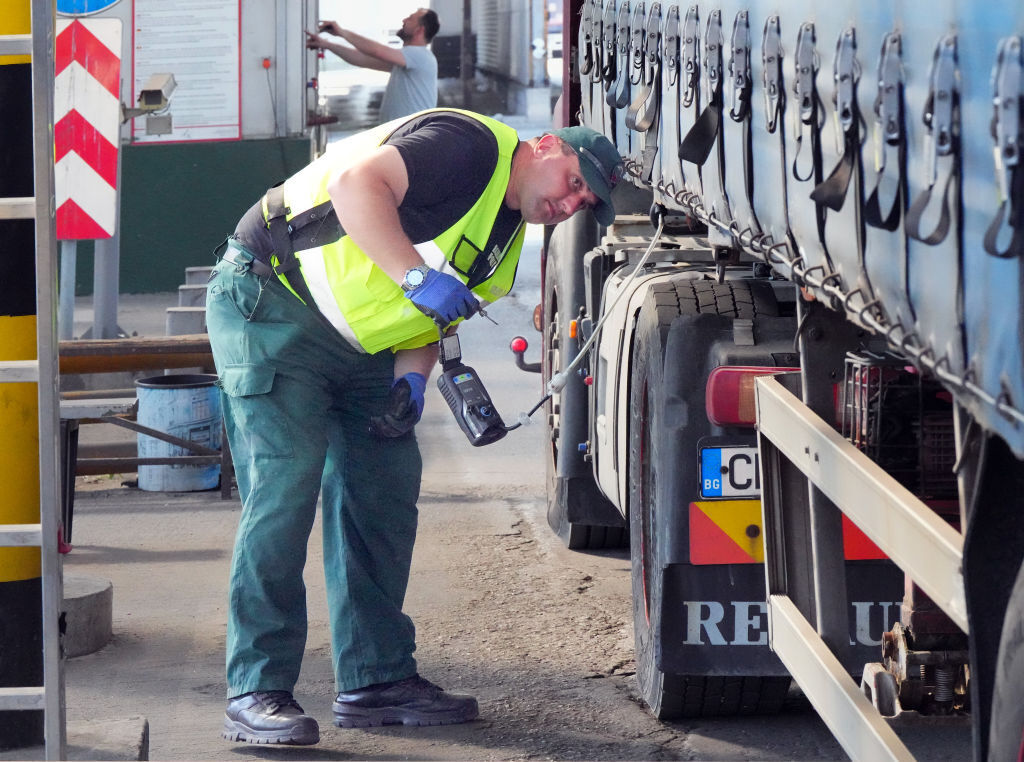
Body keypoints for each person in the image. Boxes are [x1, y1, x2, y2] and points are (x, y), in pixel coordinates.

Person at [208, 107, 622, 746]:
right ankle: (256, 688)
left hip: (365, 347)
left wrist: (412, 381)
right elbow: (355, 187)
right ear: (544, 147)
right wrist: (415, 275)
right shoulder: (466, 146)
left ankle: (375, 679)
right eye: (572, 182)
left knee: (383, 490)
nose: (571, 203)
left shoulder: (506, 233)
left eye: (584, 202)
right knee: (285, 490)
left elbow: (430, 314)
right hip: (274, 305)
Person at [307, 9, 440, 123]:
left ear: (419, 30)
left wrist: (343, 32)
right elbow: (362, 59)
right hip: (402, 138)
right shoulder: (407, 61)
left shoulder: (421, 56)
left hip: (409, 140)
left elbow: (377, 51)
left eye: (410, 19)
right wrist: (327, 45)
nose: (404, 20)